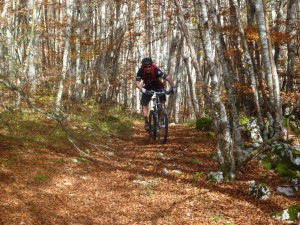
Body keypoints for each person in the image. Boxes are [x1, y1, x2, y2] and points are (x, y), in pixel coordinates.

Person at [136, 57, 176, 130]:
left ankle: (162, 118)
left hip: (157, 85)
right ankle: (146, 122)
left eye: (149, 66)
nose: (147, 68)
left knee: (162, 100)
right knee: (144, 104)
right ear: (143, 66)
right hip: (147, 87)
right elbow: (137, 83)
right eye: (145, 67)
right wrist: (142, 89)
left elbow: (168, 78)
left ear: (152, 65)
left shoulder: (156, 70)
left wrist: (173, 87)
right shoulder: (141, 71)